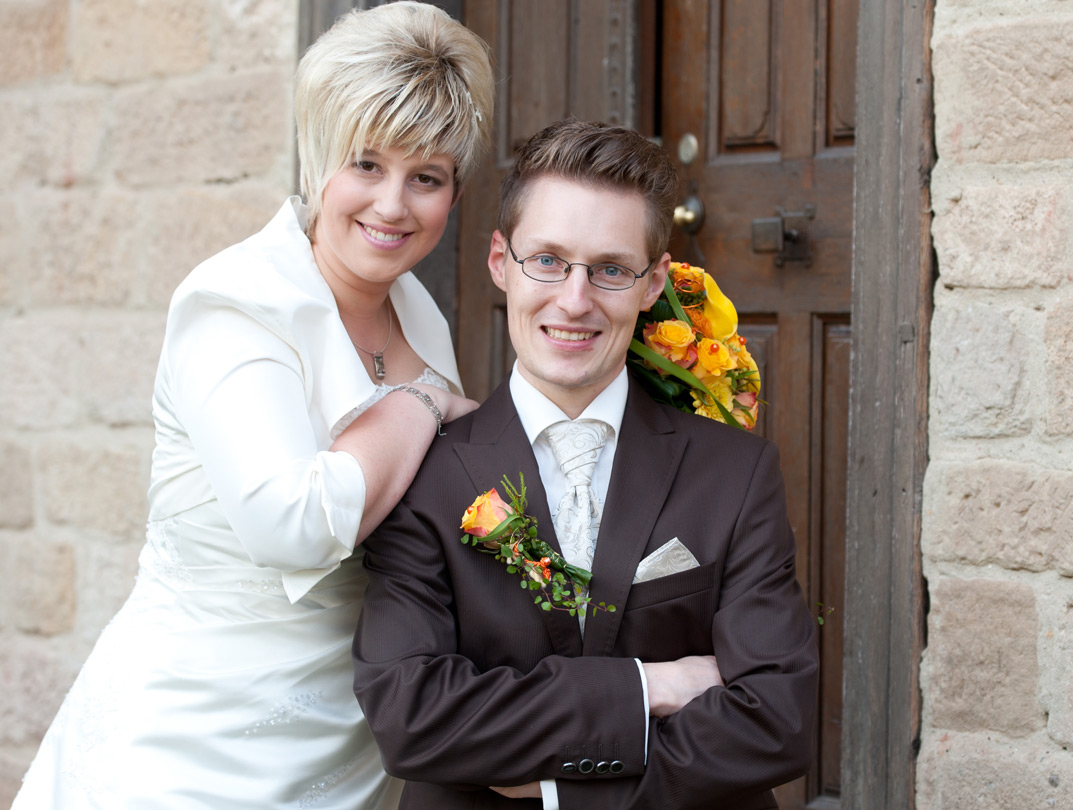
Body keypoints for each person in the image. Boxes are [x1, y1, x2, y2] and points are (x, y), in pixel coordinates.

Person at [13, 4, 493, 808]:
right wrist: (421, 401)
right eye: (366, 163)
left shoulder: (420, 313)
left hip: (347, 749)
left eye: (427, 178)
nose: (392, 205)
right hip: (192, 742)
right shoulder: (235, 303)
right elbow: (288, 523)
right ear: (317, 156)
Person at [352, 119, 819, 809]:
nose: (574, 300)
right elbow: (412, 718)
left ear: (652, 282)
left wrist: (559, 792)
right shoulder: (425, 473)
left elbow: (777, 721)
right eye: (547, 260)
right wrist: (650, 687)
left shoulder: (737, 472)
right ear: (500, 261)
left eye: (610, 270)